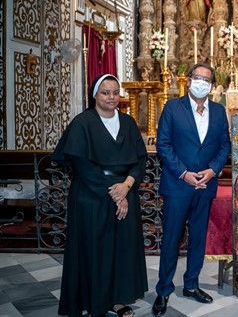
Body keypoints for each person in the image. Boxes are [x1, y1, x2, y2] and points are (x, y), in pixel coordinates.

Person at [53, 74, 148, 317]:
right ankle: (92, 300)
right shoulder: (82, 123)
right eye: (105, 92)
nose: (111, 97)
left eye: (115, 92)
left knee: (120, 251)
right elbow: (82, 166)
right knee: (94, 251)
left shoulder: (127, 122)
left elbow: (140, 159)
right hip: (91, 196)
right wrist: (116, 193)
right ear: (95, 94)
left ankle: (117, 299)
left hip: (125, 193)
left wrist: (126, 186)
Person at [152, 63, 230, 316]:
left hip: (206, 185)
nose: (201, 82)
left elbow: (224, 146)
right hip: (178, 185)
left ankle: (192, 285)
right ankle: (164, 290)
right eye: (197, 77)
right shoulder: (173, 108)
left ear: (212, 85)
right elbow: (163, 144)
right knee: (171, 239)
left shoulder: (219, 111)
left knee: (198, 238)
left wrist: (213, 169)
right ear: (188, 81)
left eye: (206, 79)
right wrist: (184, 173)